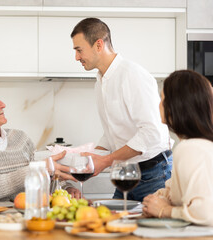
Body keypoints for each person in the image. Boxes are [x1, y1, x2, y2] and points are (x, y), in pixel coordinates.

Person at [71, 18, 173, 201]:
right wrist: (91, 157)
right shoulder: (100, 82)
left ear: (99, 45)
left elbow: (151, 133)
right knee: (115, 223)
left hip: (154, 173)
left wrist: (104, 161)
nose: (76, 57)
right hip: (127, 172)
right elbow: (112, 133)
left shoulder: (133, 75)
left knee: (152, 228)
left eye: (79, 50)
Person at [0, 85, 81, 201]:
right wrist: (34, 170)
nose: (2, 104)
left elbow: (44, 176)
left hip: (31, 214)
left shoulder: (20, 137)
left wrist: (65, 188)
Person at [142, 70, 213, 225]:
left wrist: (164, 210)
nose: (159, 104)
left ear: (176, 105)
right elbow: (178, 190)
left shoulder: (190, 148)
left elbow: (207, 212)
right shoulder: (200, 145)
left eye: (162, 99)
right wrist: (160, 198)